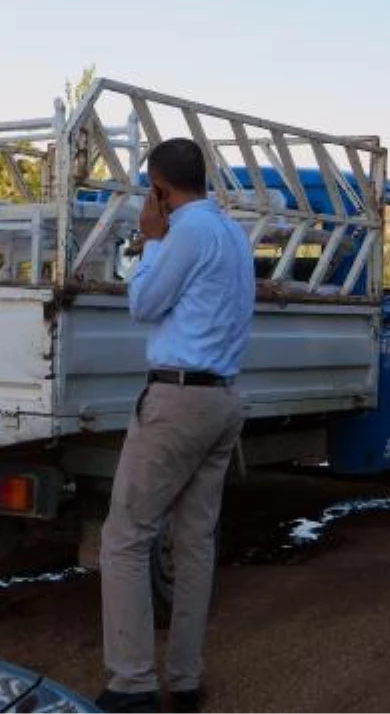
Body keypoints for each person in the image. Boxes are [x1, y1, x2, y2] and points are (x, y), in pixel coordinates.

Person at [96, 138, 255, 714]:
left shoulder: (182, 232)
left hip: (179, 399)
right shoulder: (232, 233)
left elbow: (143, 303)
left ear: (159, 190)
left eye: (149, 190)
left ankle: (132, 684)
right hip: (222, 399)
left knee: (125, 538)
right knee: (193, 543)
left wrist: (149, 241)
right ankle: (184, 681)